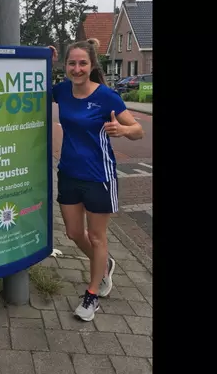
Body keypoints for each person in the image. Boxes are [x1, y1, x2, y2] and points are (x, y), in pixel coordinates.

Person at [48, 40, 144, 322]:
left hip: (99, 176)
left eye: (82, 63)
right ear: (65, 66)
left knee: (97, 236)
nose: (77, 69)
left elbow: (138, 131)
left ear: (91, 66)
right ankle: (105, 264)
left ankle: (92, 294)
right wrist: (44, 57)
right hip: (67, 172)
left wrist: (122, 129)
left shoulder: (106, 97)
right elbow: (35, 85)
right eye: (71, 63)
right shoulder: (62, 91)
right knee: (74, 233)